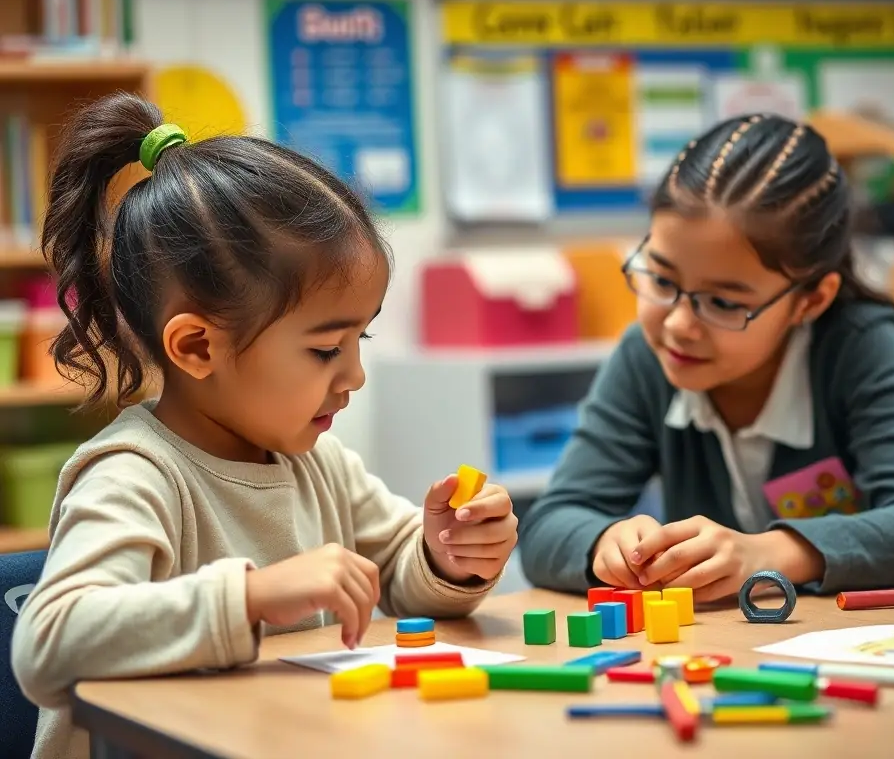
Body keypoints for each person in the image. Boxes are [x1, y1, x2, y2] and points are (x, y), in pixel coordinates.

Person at [11, 93, 518, 759]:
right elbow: (49, 643)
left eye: (359, 339)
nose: (354, 376)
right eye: (324, 349)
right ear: (196, 347)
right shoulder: (133, 476)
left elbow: (400, 573)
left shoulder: (318, 463)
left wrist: (446, 555)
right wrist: (248, 597)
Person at [518, 113, 894, 600]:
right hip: (723, 654)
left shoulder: (857, 346)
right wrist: (601, 544)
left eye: (723, 303)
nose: (677, 324)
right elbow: (548, 526)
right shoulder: (646, 357)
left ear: (811, 300)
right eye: (661, 280)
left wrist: (771, 554)